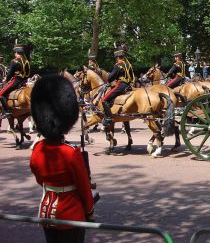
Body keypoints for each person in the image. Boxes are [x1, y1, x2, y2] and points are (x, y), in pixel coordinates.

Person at [30, 74, 94, 243]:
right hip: (70, 213)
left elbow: (39, 179)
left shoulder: (38, 149)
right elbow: (83, 186)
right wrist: (89, 211)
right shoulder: (70, 152)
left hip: (46, 211)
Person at [101, 45, 135, 127]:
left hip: (120, 85)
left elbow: (110, 77)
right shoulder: (128, 65)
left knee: (104, 100)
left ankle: (108, 118)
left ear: (117, 57)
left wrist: (108, 79)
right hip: (128, 85)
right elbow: (132, 77)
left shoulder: (118, 65)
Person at [0, 44, 30, 116]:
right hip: (24, 82)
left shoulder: (15, 61)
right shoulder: (27, 61)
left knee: (1, 94)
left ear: (17, 53)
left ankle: (7, 111)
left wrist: (6, 80)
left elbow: (10, 73)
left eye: (15, 53)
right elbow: (28, 73)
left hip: (15, 81)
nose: (14, 54)